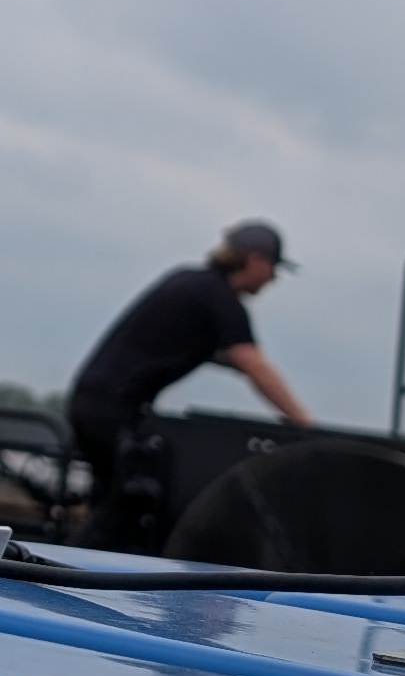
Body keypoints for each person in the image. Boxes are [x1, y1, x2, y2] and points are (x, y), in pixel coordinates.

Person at [67, 223, 312, 548]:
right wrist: (303, 425)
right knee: (126, 508)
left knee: (119, 502)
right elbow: (250, 361)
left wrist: (249, 368)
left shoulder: (192, 282)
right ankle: (67, 568)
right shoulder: (219, 297)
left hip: (94, 402)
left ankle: (76, 564)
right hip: (110, 409)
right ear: (255, 260)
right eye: (274, 268)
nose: (273, 278)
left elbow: (217, 352)